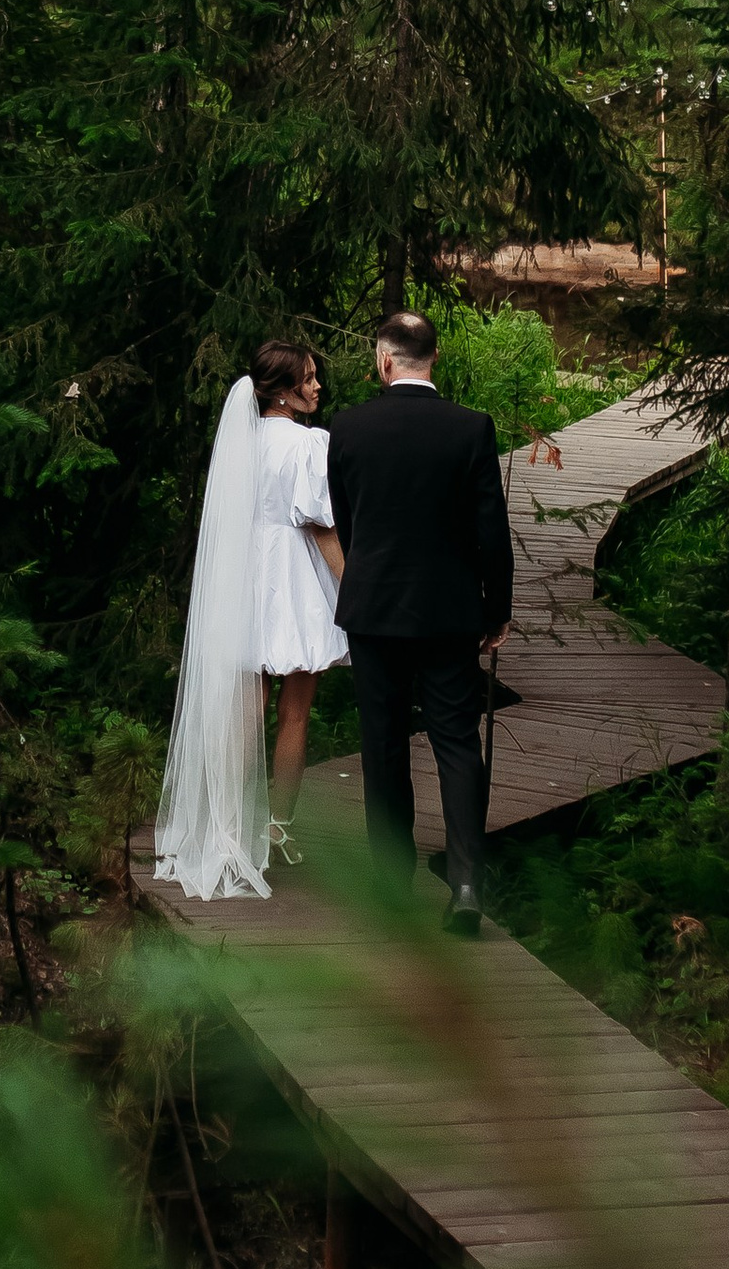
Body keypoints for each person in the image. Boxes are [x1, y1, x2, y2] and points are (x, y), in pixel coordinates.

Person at [325, 308, 512, 936]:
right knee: (457, 743)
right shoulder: (471, 427)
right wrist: (496, 609)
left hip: (374, 609)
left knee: (382, 745)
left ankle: (391, 886)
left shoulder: (347, 427)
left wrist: (369, 578)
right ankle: (466, 885)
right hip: (449, 611)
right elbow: (491, 530)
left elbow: (348, 521)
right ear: (435, 358)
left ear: (384, 361)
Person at [152, 337, 347, 902]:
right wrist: (352, 587)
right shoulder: (308, 443)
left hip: (240, 580)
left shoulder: (238, 440)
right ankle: (277, 827)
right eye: (308, 378)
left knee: (245, 709)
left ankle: (228, 826)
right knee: (295, 712)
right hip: (293, 579)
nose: (317, 387)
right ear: (283, 391)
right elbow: (319, 523)